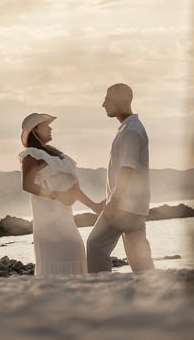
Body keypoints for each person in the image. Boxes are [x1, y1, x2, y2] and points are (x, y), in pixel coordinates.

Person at [19, 112, 103, 277]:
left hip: (65, 218)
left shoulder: (61, 157)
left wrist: (94, 206)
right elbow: (27, 185)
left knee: (76, 251)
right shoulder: (31, 155)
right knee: (56, 260)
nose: (50, 128)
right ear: (35, 131)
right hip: (47, 220)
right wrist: (56, 195)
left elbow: (74, 189)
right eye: (45, 125)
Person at [87, 84, 154, 273]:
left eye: (107, 99)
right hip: (135, 205)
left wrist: (114, 200)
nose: (103, 104)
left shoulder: (130, 131)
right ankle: (151, 292)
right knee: (139, 258)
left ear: (121, 100)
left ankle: (102, 290)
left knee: (95, 246)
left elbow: (127, 168)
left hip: (124, 205)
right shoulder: (130, 128)